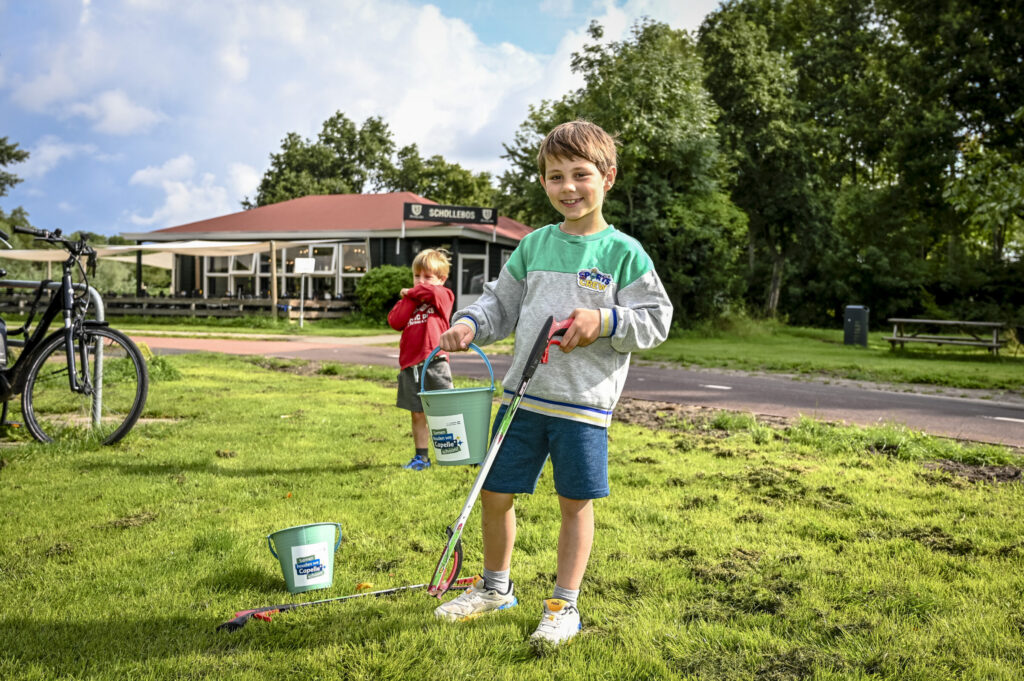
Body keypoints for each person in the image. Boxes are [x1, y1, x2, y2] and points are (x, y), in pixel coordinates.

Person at [434, 120, 673, 644]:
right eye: (555, 176)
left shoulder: (624, 253)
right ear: (542, 182)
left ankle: (564, 606)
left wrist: (604, 321)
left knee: (574, 504)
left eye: (580, 175)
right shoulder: (535, 244)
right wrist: (471, 323)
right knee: (495, 494)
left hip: (583, 407)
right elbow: (501, 303)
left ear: (607, 178)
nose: (568, 187)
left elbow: (656, 321)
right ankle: (496, 588)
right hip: (521, 399)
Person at [387, 248, 455, 471]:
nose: (421, 282)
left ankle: (460, 453)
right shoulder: (411, 299)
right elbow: (395, 321)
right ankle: (421, 457)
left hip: (434, 361)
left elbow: (434, 294)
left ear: (442, 279)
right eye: (417, 276)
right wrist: (410, 296)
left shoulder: (444, 296)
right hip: (410, 365)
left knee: (446, 409)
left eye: (428, 277)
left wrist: (411, 291)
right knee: (417, 413)